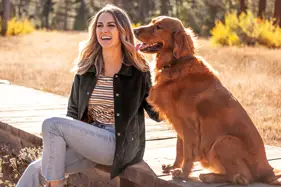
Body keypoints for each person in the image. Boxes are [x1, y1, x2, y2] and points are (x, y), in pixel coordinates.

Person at [16, 4, 160, 187]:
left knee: (51, 124)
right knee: (34, 170)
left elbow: (158, 114)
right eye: (99, 25)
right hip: (90, 138)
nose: (104, 30)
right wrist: (63, 148)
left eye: (111, 25)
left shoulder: (138, 71)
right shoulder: (86, 69)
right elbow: (73, 112)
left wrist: (167, 81)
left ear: (122, 30)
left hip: (118, 143)